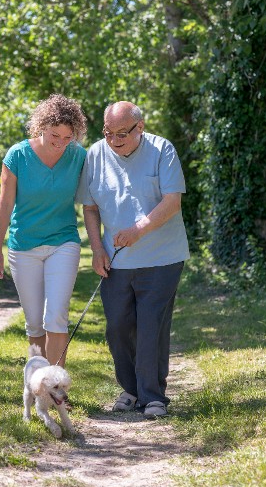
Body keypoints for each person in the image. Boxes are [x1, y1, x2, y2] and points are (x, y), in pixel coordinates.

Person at [77, 101, 189, 418]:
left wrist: (139, 229)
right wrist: (97, 249)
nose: (114, 140)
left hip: (162, 257)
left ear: (140, 127)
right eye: (108, 133)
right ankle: (131, 389)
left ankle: (152, 397)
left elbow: (172, 201)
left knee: (150, 326)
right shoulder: (96, 154)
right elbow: (90, 207)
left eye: (122, 134)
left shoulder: (162, 150)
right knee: (117, 328)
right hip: (117, 259)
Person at [0, 94, 87, 367]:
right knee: (35, 323)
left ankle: (57, 387)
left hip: (63, 242)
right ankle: (38, 383)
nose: (60, 143)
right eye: (55, 135)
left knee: (56, 315)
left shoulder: (78, 156)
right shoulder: (17, 155)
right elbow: (5, 203)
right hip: (24, 246)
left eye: (68, 137)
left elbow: (94, 198)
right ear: (41, 127)